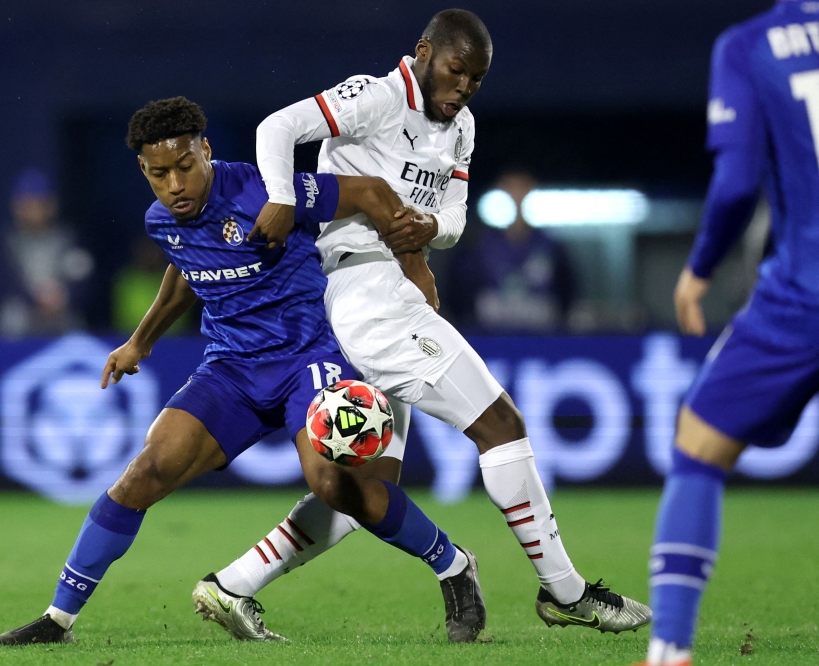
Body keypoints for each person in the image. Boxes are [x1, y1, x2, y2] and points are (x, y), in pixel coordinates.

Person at [203, 8, 651, 642]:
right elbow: (278, 126)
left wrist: (429, 231)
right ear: (423, 53)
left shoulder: (460, 128)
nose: (464, 86)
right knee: (501, 425)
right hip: (365, 290)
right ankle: (567, 591)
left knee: (365, 486)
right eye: (455, 69)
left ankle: (232, 585)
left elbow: (456, 218)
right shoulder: (378, 96)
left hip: (385, 291)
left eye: (475, 78)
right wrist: (281, 196)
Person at [0, 97, 486, 645]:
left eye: (185, 166)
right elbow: (187, 271)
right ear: (143, 171)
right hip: (231, 369)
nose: (175, 184)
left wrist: (416, 266)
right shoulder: (162, 221)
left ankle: (454, 565)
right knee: (144, 473)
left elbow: (369, 192)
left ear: (206, 150)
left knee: (334, 483)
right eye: (160, 174)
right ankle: (58, 621)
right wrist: (139, 342)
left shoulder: (264, 190)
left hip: (308, 360)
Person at [636, 2, 819, 665]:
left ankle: (670, 650)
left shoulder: (752, 45)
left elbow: (738, 182)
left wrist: (699, 270)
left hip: (804, 292)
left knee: (698, 447)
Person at [447, 171, 576, 332]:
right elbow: (458, 295)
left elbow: (566, 295)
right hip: (486, 340)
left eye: (522, 188)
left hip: (541, 340)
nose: (516, 196)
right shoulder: (475, 246)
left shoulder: (552, 247)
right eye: (509, 188)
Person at [0, 168, 94, 337]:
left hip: (61, 312)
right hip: (23, 314)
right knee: (12, 316)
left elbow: (83, 277)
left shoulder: (68, 239)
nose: (34, 210)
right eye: (28, 204)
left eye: (40, 203)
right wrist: (34, 298)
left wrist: (65, 295)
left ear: (52, 205)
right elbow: (3, 279)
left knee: (74, 325)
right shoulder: (6, 241)